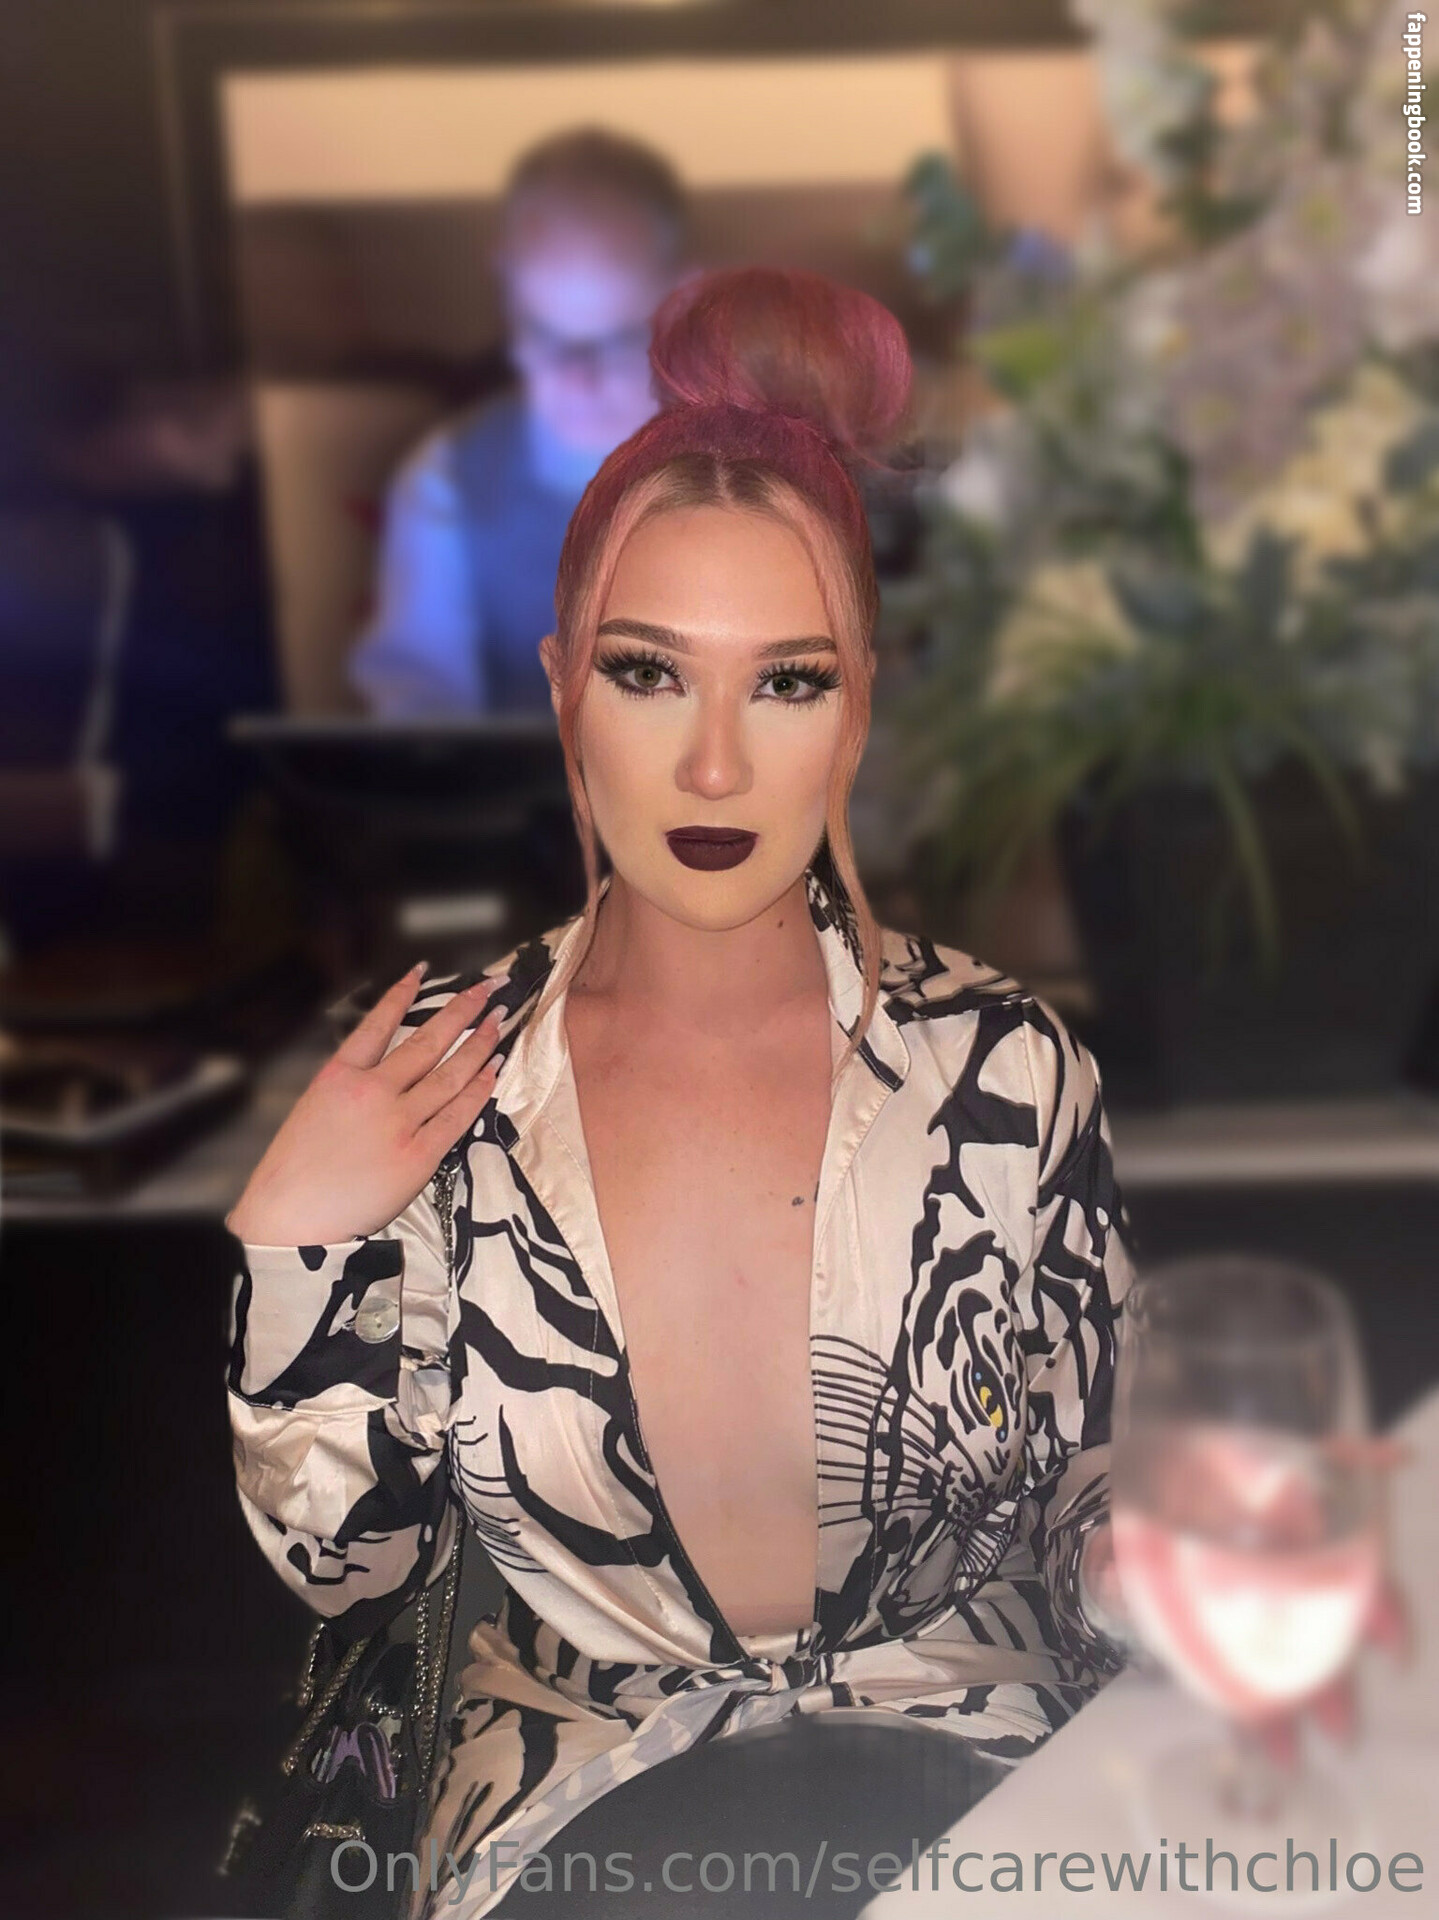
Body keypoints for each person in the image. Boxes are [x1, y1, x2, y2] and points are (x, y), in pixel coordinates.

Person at [226, 268, 1135, 1920]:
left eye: (787, 681)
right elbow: (351, 1569)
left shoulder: (1004, 1073)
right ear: (559, 686)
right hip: (572, 1819)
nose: (714, 764)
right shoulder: (445, 1087)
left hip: (992, 1803)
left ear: (857, 711)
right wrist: (295, 1253)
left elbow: (1094, 1511)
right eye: (649, 673)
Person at [348, 128, 689, 717]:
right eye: (544, 335)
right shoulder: (446, 481)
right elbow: (421, 722)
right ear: (506, 291)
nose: (576, 380)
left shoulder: (765, 466)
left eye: (617, 340)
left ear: (682, 297)